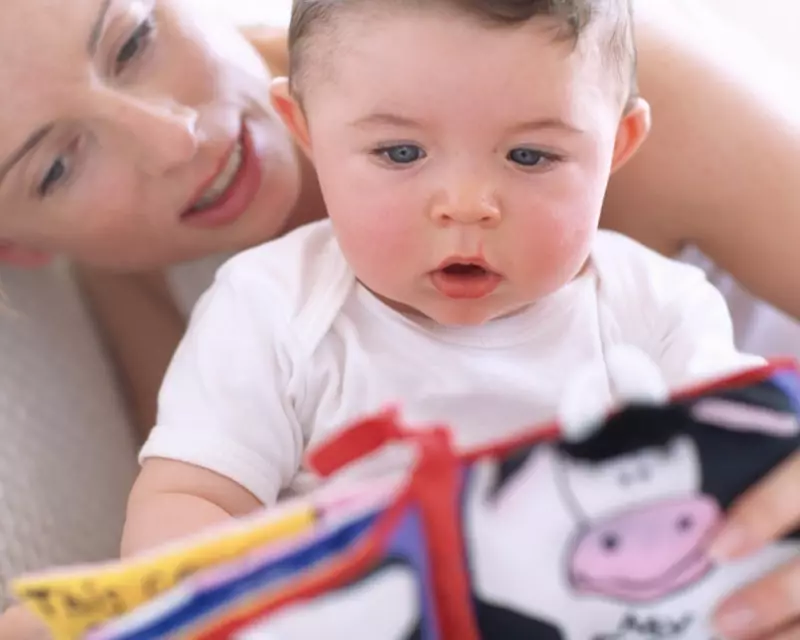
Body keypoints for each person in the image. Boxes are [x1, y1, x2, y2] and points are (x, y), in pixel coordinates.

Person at [0, 0, 798, 638]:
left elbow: (740, 446)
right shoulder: (249, 303)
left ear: (617, 144)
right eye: (57, 166)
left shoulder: (568, 64)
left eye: (134, 39)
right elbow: (193, 507)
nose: (176, 140)